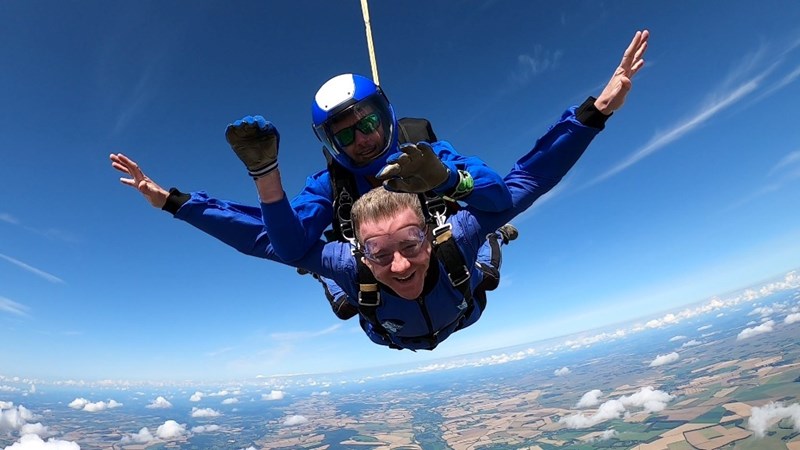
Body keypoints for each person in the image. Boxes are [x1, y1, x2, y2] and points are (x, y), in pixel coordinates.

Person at [113, 29, 648, 349]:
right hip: (393, 315)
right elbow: (279, 242)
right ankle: (370, 254)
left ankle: (426, 243)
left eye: (368, 123)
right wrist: (239, 185)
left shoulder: (428, 158)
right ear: (328, 142)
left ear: (386, 115)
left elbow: (513, 189)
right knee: (317, 261)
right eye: (344, 134)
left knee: (476, 239)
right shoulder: (330, 187)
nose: (363, 139)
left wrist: (593, 112)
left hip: (450, 288)